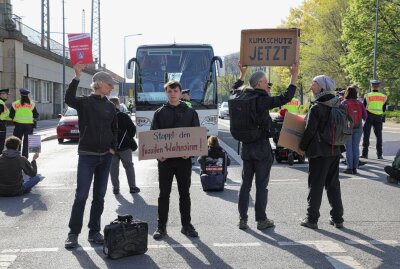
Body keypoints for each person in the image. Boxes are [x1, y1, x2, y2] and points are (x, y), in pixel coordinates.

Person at [233, 62, 298, 230]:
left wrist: (242, 75)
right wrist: (293, 76)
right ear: (260, 83)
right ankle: (261, 220)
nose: (267, 83)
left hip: (246, 148)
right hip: (261, 148)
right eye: (266, 81)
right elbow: (285, 98)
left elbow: (233, 90)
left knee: (245, 184)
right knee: (261, 185)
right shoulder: (262, 100)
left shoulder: (241, 96)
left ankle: (242, 219)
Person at [64, 63, 118, 249]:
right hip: (87, 156)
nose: (112, 87)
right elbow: (69, 99)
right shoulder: (84, 102)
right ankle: (73, 234)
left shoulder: (111, 106)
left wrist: (112, 148)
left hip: (105, 157)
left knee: (100, 197)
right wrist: (77, 77)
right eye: (109, 84)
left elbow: (115, 129)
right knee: (81, 196)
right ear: (99, 83)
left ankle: (94, 231)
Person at [151, 80, 200, 240]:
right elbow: (153, 137)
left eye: (175, 91)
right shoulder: (159, 113)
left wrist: (190, 152)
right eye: (170, 91)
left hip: (183, 160)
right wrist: (159, 154)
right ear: (166, 93)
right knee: (164, 194)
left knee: (184, 193)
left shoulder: (190, 112)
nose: (173, 94)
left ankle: (186, 225)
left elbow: (197, 135)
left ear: (180, 93)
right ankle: (161, 226)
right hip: (165, 161)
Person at [298, 75, 344, 229]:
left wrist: (302, 147)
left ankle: (311, 219)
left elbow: (310, 131)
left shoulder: (317, 107)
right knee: (333, 184)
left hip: (319, 151)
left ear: (322, 87)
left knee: (316, 185)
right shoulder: (338, 104)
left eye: (314, 84)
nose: (311, 86)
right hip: (335, 149)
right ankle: (337, 218)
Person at [108, 97, 140, 195]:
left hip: (111, 147)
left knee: (113, 168)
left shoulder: (105, 116)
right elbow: (132, 130)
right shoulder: (123, 116)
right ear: (118, 105)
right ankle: (132, 187)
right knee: (129, 166)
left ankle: (116, 189)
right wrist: (127, 137)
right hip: (125, 146)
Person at [341, 86, 367, 174]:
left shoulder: (344, 103)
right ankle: (355, 168)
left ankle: (349, 168)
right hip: (358, 127)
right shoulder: (360, 103)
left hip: (347, 128)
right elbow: (365, 116)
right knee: (356, 147)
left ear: (346, 93)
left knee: (349, 148)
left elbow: (340, 116)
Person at [9, 88, 39, 158]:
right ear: (27, 95)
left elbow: (11, 115)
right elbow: (36, 115)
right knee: (27, 143)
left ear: (20, 95)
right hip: (29, 126)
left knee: (16, 141)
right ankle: (25, 157)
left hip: (18, 125)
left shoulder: (15, 103)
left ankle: (16, 156)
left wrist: (15, 119)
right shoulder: (32, 104)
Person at [361, 80, 387, 159]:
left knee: (366, 135)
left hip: (369, 116)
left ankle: (365, 154)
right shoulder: (384, 96)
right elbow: (384, 109)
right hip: (379, 117)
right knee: (379, 136)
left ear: (371, 86)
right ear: (379, 87)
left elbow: (363, 107)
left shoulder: (367, 95)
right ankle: (379, 154)